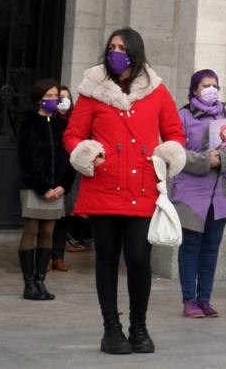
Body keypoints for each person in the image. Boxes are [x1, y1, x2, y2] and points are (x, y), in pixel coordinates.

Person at [64, 28, 186, 354]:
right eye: (111, 47)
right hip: (104, 186)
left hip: (143, 187)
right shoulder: (92, 90)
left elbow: (174, 131)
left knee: (138, 258)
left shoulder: (156, 92)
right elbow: (73, 135)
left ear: (135, 52)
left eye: (122, 47)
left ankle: (139, 327)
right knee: (106, 259)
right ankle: (111, 329)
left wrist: (166, 156)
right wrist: (92, 156)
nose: (115, 52)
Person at [171, 69, 226, 319]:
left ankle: (205, 298)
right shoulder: (182, 115)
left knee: (211, 247)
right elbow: (175, 151)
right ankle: (189, 299)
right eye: (205, 85)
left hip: (221, 192)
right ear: (195, 89)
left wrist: (221, 159)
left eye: (215, 85)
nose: (211, 89)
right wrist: (205, 160)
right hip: (191, 192)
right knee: (191, 246)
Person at [17, 78, 74, 301]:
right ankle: (29, 283)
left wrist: (63, 185)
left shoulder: (62, 125)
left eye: (56, 96)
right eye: (49, 96)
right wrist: (42, 187)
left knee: (48, 233)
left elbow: (70, 157)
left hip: (57, 189)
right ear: (39, 98)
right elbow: (25, 159)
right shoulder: (29, 123)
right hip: (34, 187)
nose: (53, 100)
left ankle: (41, 280)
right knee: (31, 231)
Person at [50, 84, 79, 271]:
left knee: (63, 218)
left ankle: (58, 256)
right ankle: (43, 255)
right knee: (46, 219)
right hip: (51, 173)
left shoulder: (75, 120)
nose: (64, 100)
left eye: (67, 97)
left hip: (69, 174)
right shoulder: (49, 120)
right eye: (60, 97)